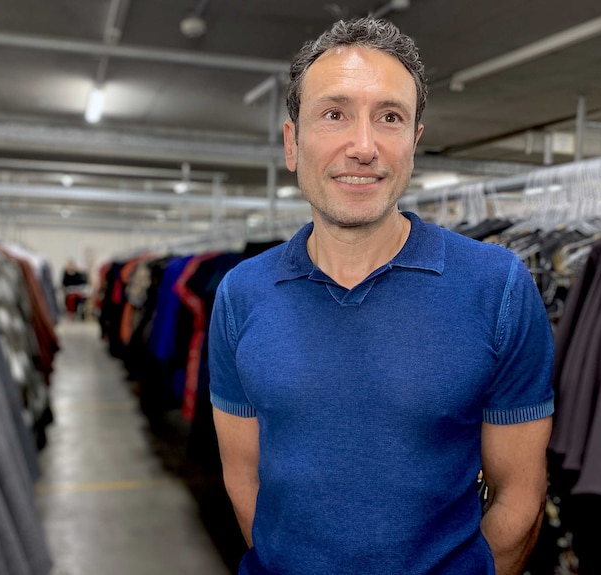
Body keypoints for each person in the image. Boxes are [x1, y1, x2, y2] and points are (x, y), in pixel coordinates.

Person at [208, 17, 554, 575]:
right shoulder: (240, 293)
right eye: (334, 114)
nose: (363, 146)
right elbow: (243, 478)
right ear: (293, 142)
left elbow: (519, 499)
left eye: (389, 118)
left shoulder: (499, 287)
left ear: (414, 143)